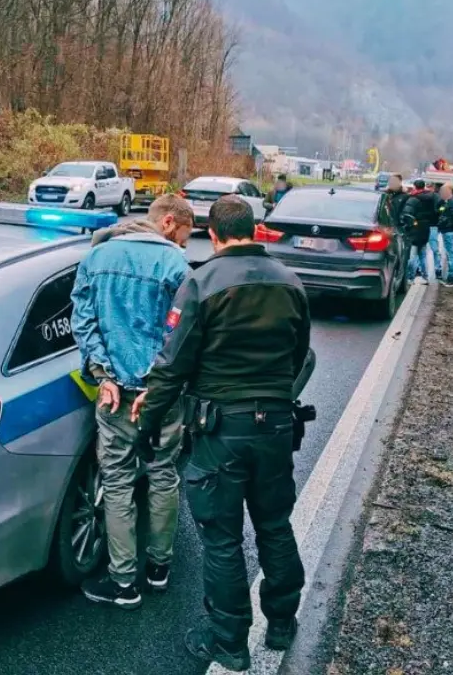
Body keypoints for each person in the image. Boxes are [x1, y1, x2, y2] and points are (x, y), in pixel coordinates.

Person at [131, 195, 310, 672]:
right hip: (274, 426)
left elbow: (172, 366)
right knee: (274, 525)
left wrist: (146, 429)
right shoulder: (291, 283)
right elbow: (301, 355)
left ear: (213, 234)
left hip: (219, 431)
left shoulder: (201, 282)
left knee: (223, 539)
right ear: (254, 229)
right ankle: (282, 622)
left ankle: (230, 644)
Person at [70, 194, 195, 610]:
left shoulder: (97, 257)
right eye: (185, 234)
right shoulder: (177, 267)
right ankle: (159, 568)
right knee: (163, 475)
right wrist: (159, 386)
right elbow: (182, 337)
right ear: (167, 224)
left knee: (118, 481)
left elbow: (83, 322)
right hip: (159, 396)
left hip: (114, 394)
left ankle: (124, 582)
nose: (185, 243)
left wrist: (103, 374)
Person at [401, 181, 435, 285]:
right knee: (422, 255)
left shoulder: (413, 199)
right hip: (425, 229)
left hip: (414, 230)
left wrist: (407, 226)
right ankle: (425, 277)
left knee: (412, 256)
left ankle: (410, 278)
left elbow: (406, 215)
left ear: (415, 187)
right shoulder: (430, 198)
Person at [436, 182, 453, 287]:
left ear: (450, 191)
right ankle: (451, 276)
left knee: (450, 254)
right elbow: (439, 210)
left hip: (449, 231)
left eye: (443, 191)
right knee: (449, 253)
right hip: (447, 230)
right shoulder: (448, 202)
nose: (441, 193)